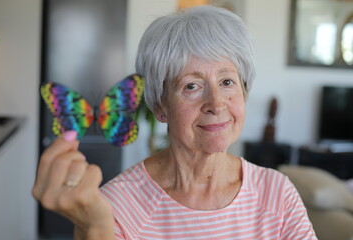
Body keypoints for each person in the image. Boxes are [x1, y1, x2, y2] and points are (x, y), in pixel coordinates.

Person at [32, 5, 317, 240]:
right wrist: (95, 229)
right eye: (191, 86)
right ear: (159, 106)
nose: (216, 103)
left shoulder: (277, 193)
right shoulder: (114, 207)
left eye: (227, 81)